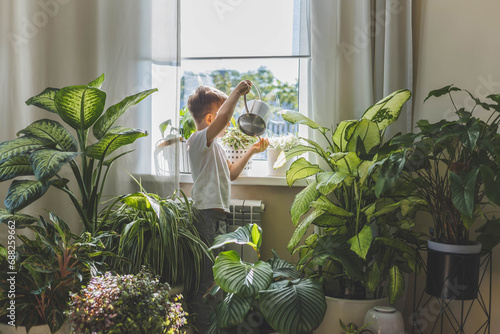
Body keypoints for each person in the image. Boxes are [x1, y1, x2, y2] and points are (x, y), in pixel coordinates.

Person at [186, 80, 269, 333]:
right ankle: (202, 328)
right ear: (211, 118)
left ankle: (210, 326)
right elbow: (223, 120)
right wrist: (236, 92)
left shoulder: (216, 147)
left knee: (214, 279)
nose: (228, 122)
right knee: (204, 281)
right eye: (224, 115)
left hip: (218, 218)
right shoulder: (197, 141)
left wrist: (252, 151)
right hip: (205, 217)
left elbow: (231, 174)